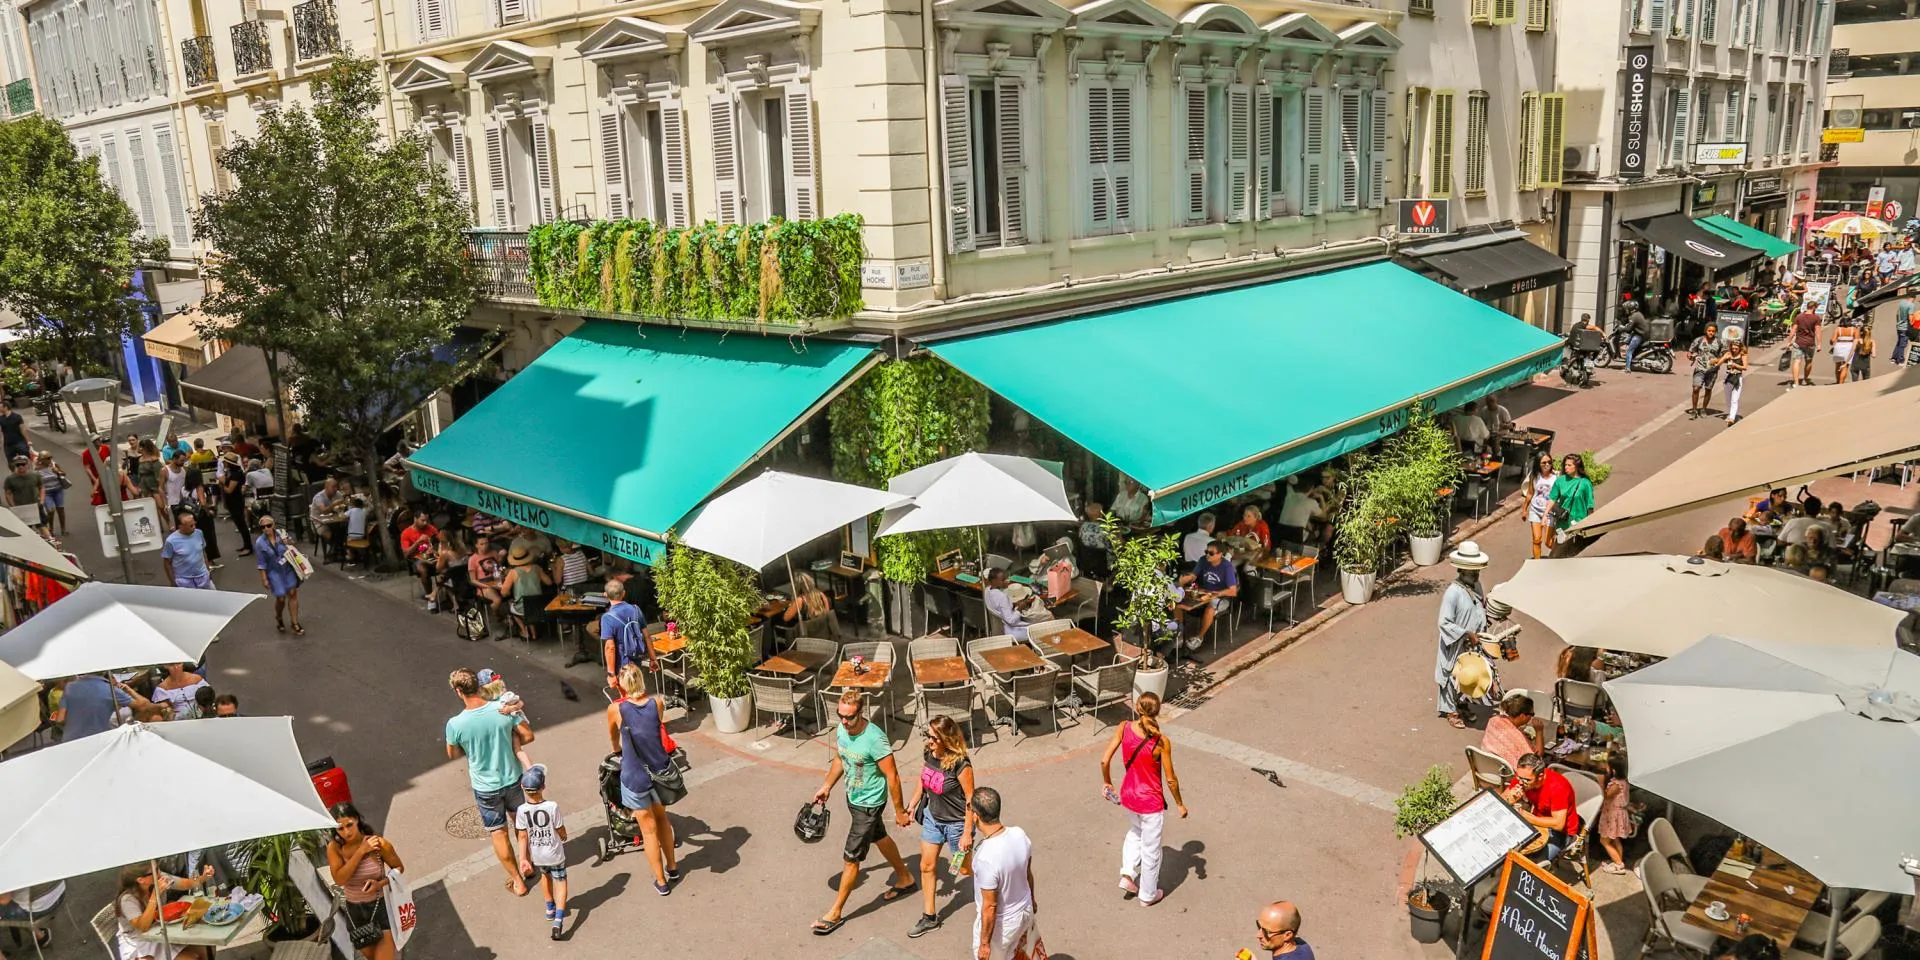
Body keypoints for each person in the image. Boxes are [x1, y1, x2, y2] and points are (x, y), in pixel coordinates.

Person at [812, 689, 914, 936]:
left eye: (849, 717)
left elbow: (893, 776)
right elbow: (840, 758)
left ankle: (835, 913)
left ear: (861, 712)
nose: (844, 721)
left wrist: (899, 811)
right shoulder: (842, 730)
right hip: (853, 798)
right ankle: (906, 877)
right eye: (841, 716)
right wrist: (827, 785)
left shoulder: (875, 739)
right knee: (879, 836)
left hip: (869, 804)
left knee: (851, 858)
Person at [445, 667, 535, 896]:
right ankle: (527, 861)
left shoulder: (455, 724)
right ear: (478, 685)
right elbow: (528, 735)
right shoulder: (502, 709)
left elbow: (452, 754)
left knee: (498, 833)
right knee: (520, 822)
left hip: (485, 787)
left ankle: (518, 881)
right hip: (512, 778)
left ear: (458, 692)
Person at [1099, 691, 1187, 908]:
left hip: (1129, 796)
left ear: (1137, 707)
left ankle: (1127, 874)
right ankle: (1147, 895)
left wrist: (1107, 782)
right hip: (1151, 803)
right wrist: (1179, 804)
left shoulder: (1124, 727)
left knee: (1135, 832)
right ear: (1158, 711)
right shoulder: (1161, 741)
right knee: (1151, 849)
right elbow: (1171, 779)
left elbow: (1104, 760)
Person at [606, 663, 680, 893]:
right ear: (641, 679)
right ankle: (673, 866)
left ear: (622, 684)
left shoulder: (616, 709)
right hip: (659, 770)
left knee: (648, 831)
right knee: (662, 819)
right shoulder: (657, 703)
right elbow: (655, 728)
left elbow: (614, 738)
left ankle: (661, 881)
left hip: (635, 775)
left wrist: (618, 749)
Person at [900, 714, 975, 939]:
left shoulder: (961, 764)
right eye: (928, 735)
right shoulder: (929, 753)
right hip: (933, 819)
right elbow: (923, 780)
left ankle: (993, 884)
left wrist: (966, 833)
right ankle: (929, 917)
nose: (929, 741)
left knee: (965, 870)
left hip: (957, 825)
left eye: (934, 738)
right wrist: (911, 806)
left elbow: (970, 799)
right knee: (926, 866)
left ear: (946, 739)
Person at [324, 802, 405, 960]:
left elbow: (399, 868)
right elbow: (340, 879)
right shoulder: (334, 848)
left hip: (380, 908)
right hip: (355, 913)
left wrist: (380, 884)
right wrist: (361, 852)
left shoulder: (378, 844)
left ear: (357, 820)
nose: (346, 832)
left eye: (349, 825)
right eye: (340, 828)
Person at [965, 787, 1036, 960]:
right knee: (1016, 954)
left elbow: (990, 906)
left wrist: (984, 944)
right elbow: (1027, 874)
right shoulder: (1019, 834)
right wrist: (1032, 900)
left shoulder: (985, 858)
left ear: (976, 816)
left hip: (1003, 926)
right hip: (1025, 911)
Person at [1437, 542, 1494, 729]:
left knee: (1468, 674)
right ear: (1462, 570)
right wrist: (1465, 633)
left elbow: (1479, 608)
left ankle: (1462, 706)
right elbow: (1444, 622)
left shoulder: (1477, 586)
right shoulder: (1452, 593)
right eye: (1472, 571)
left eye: (1477, 571)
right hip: (1455, 642)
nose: (1476, 574)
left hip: (1473, 641)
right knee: (1451, 674)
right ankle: (1451, 711)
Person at [112, 862, 216, 960]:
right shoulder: (127, 900)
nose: (159, 872)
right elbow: (143, 927)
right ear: (141, 880)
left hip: (160, 931)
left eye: (157, 868)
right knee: (191, 958)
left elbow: (186, 883)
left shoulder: (159, 878)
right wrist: (155, 896)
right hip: (140, 942)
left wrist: (203, 877)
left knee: (205, 945)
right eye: (154, 871)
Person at [514, 764, 571, 939]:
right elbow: (560, 828)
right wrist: (564, 836)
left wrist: (523, 858)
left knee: (544, 877)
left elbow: (522, 836)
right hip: (554, 854)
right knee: (560, 881)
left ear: (522, 787)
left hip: (538, 855)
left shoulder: (522, 810)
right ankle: (558, 920)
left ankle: (549, 907)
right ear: (543, 786)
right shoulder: (552, 806)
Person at [1505, 753, 1581, 861]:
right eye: (1518, 777)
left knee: (1531, 864)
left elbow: (1558, 824)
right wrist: (1509, 799)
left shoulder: (1557, 787)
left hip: (1561, 833)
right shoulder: (1524, 776)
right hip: (1538, 822)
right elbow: (1501, 800)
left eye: (1526, 780)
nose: (1521, 782)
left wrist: (1526, 816)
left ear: (1540, 776)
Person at [1176, 541, 1239, 650]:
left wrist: (1217, 593)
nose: (1207, 555)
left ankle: (1199, 637)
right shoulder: (1203, 560)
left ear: (1220, 554)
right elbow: (1193, 576)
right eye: (1206, 552)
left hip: (1222, 598)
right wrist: (1182, 581)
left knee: (1211, 607)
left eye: (1211, 553)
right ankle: (1180, 633)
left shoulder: (1227, 567)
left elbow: (1233, 591)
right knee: (1178, 602)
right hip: (1204, 593)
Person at [51, 673, 144, 738]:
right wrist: (129, 690)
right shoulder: (110, 690)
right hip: (99, 737)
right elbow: (143, 706)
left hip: (71, 739)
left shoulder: (70, 688)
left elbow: (60, 719)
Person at [254, 515, 305, 635]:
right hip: (274, 571)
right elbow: (261, 562)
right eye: (263, 527)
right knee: (281, 598)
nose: (266, 528)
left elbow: (293, 545)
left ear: (273, 525)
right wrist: (264, 578)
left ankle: (295, 623)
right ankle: (279, 616)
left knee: (292, 593)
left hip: (287, 568)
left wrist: (289, 542)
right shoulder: (260, 543)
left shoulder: (281, 534)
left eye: (268, 525)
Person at [595, 576, 650, 678]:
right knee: (638, 685)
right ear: (624, 593)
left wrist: (611, 674)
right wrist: (653, 659)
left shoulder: (607, 618)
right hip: (637, 660)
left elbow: (610, 647)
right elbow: (647, 636)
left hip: (621, 665)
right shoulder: (636, 609)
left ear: (605, 595)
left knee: (626, 687)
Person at [1480, 693, 1545, 769]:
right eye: (1532, 714)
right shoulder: (1519, 739)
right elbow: (1536, 758)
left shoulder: (1493, 720)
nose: (1532, 717)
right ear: (1522, 716)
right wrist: (1539, 731)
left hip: (1486, 766)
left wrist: (1519, 732)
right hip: (1506, 772)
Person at [502, 544, 553, 640]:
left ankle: (524, 631)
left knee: (512, 607)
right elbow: (549, 582)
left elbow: (504, 592)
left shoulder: (513, 572)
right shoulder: (537, 568)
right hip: (539, 605)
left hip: (523, 607)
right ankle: (533, 634)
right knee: (528, 605)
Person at [1595, 755, 1634, 875]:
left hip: (1613, 815)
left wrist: (1601, 782)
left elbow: (1605, 796)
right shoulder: (1623, 781)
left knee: (1604, 841)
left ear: (1614, 770)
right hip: (1618, 813)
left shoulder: (1617, 785)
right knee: (1615, 839)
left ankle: (1618, 864)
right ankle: (1617, 859)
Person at [1549, 454, 1595, 546]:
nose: (1566, 467)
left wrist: (1590, 524)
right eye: (1565, 465)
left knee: (1575, 549)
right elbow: (1552, 500)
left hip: (1579, 523)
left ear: (1577, 466)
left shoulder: (1585, 483)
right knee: (1561, 549)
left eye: (1569, 465)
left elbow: (1590, 506)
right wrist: (1545, 515)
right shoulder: (1560, 481)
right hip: (1563, 523)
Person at [781, 572, 840, 644]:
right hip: (823, 634)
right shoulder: (821, 595)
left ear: (796, 587)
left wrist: (792, 605)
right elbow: (826, 614)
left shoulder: (800, 601)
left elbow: (786, 618)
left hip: (805, 636)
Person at [161, 510, 213, 589]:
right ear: (180, 526)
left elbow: (203, 552)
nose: (194, 527)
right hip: (184, 581)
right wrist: (173, 582)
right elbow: (167, 563)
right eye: (190, 526)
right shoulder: (171, 541)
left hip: (203, 577)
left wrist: (208, 570)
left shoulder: (199, 533)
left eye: (194, 524)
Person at [983, 567, 1038, 642]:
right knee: (1037, 629)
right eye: (1003, 580)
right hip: (1011, 631)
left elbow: (1000, 607)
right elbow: (1011, 620)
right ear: (994, 581)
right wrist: (1020, 608)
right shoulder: (1002, 597)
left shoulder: (987, 590)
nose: (1006, 581)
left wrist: (1014, 604)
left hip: (1000, 627)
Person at [1687, 322, 1726, 418]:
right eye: (1709, 331)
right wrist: (1691, 356)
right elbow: (1690, 352)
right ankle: (1694, 410)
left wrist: (1717, 360)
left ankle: (1704, 409)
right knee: (1696, 388)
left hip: (1712, 370)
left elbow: (1726, 356)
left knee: (1708, 389)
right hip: (1699, 369)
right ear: (1705, 331)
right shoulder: (1699, 340)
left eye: (1713, 331)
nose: (1711, 333)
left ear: (1716, 332)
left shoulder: (1720, 342)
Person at [1524, 452, 1556, 560]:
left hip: (1550, 513)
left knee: (1548, 542)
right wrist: (1524, 509)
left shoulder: (1556, 477)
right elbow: (1530, 493)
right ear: (1538, 464)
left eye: (1549, 462)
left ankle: (1559, 556)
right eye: (1544, 463)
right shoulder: (1534, 476)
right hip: (1535, 511)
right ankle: (1537, 563)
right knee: (1536, 539)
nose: (1547, 465)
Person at [218, 453, 252, 553]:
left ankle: (248, 547)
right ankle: (246, 545)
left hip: (236, 502)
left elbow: (229, 490)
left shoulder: (235, 474)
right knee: (239, 525)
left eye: (225, 462)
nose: (223, 464)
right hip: (232, 501)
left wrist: (222, 483)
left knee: (242, 525)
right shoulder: (231, 472)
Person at [400, 514, 439, 599]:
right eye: (422, 520)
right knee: (423, 569)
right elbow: (406, 554)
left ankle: (448, 594)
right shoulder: (406, 533)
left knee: (448, 564)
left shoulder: (430, 528)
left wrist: (434, 549)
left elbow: (440, 541)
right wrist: (418, 542)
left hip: (432, 556)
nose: (425, 523)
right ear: (415, 519)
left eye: (426, 520)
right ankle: (430, 595)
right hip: (416, 559)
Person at [3, 454, 44, 532]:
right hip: (22, 508)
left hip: (35, 506)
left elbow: (41, 487)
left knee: (42, 526)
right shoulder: (10, 479)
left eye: (23, 464)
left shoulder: (35, 475)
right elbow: (8, 493)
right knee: (25, 529)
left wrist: (42, 500)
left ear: (27, 464)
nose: (20, 466)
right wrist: (13, 506)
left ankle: (48, 538)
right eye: (18, 465)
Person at [1077, 501, 1113, 578]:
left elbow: (1080, 541)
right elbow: (1112, 547)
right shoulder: (1106, 529)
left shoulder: (1083, 526)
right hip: (1103, 565)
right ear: (1101, 515)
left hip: (1086, 563)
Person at [35, 450, 68, 536]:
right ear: (41, 460)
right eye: (48, 458)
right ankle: (51, 529)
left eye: (51, 457)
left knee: (60, 509)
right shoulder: (37, 470)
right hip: (47, 493)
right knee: (50, 511)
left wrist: (58, 471)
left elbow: (64, 474)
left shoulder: (54, 465)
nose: (50, 460)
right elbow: (36, 483)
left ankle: (63, 529)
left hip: (58, 490)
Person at [1790, 303, 1821, 387]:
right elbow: (1818, 332)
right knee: (1809, 361)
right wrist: (1819, 344)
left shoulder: (1799, 317)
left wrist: (1789, 341)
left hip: (1798, 342)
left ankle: (1796, 382)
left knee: (1797, 361)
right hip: (1810, 343)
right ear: (1813, 307)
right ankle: (1805, 379)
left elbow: (1793, 330)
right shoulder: (1816, 318)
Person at [1722, 332, 1750, 424]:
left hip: (1737, 378)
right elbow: (1720, 361)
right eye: (1733, 348)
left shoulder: (1743, 355)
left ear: (1740, 348)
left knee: (1735, 399)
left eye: (1736, 348)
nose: (1734, 350)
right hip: (1728, 377)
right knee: (1728, 398)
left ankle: (1732, 418)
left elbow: (1745, 367)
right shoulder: (1729, 354)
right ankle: (1730, 414)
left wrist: (1735, 365)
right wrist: (1718, 361)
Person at [1830, 314, 1861, 384]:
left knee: (1837, 365)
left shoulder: (1838, 329)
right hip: (1848, 347)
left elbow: (1832, 340)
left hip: (1838, 347)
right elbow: (1856, 340)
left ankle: (1837, 381)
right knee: (1845, 366)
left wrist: (1831, 342)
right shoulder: (1854, 329)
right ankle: (1841, 383)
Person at [1622, 301, 1651, 372]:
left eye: (1627, 308)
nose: (1626, 310)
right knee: (1629, 342)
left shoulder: (1633, 317)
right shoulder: (1638, 314)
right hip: (1643, 334)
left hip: (1639, 335)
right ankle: (1632, 361)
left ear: (1630, 308)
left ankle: (1627, 368)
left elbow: (1628, 329)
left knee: (1629, 351)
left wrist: (1621, 328)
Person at [0, 399, 29, 464]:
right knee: (11, 463)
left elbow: (23, 429)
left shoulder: (17, 417)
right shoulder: (1, 419)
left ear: (5, 407)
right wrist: (1, 444)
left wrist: (28, 441)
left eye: (0, 407)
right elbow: (1, 433)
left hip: (20, 442)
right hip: (8, 445)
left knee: (25, 461)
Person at [1895, 292, 1916, 365]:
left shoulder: (1902, 302)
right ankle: (1900, 360)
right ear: (1913, 298)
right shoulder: (1911, 305)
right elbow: (1910, 317)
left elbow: (1897, 314)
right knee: (1902, 344)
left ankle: (1895, 358)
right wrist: (1912, 325)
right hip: (1905, 327)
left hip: (1899, 326)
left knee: (1899, 343)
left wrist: (1898, 322)